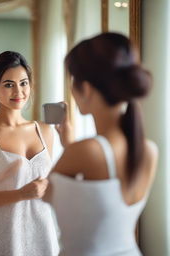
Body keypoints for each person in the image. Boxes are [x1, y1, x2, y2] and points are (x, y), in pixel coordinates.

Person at [45, 32, 158, 256]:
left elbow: (45, 193)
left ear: (85, 89)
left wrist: (71, 147)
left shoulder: (87, 151)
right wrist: (71, 146)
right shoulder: (149, 150)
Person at [0, 51, 59, 256]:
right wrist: (21, 194)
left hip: (44, 237)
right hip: (2, 240)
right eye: (8, 84)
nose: (19, 91)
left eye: (24, 83)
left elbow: (48, 187)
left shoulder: (45, 131)